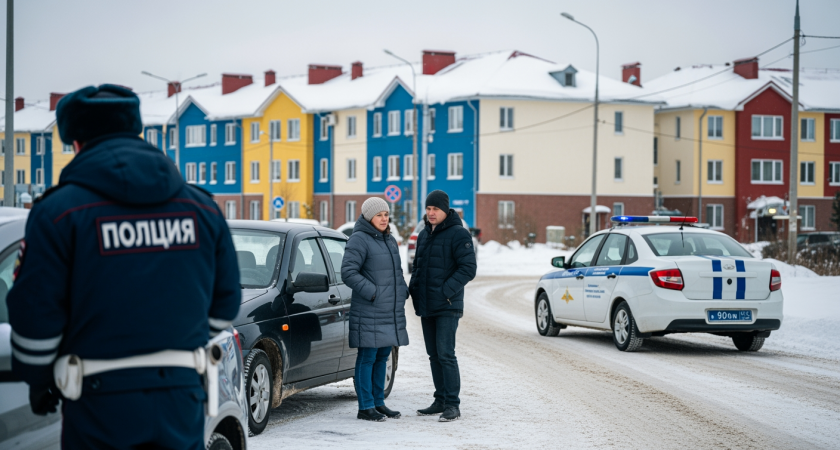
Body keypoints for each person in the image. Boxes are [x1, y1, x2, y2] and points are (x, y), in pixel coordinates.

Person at [7, 84, 241, 449]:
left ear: (76, 142)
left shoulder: (58, 213)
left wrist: (39, 378)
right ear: (137, 131)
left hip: (99, 404)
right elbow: (224, 304)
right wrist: (176, 338)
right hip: (182, 399)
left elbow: (34, 314)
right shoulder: (202, 209)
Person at [409, 190, 476, 422]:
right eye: (428, 209)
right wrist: (414, 290)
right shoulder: (424, 235)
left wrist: (446, 291)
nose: (430, 213)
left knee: (446, 354)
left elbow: (468, 268)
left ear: (445, 210)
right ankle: (440, 399)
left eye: (435, 209)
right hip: (428, 304)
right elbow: (417, 267)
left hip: (447, 305)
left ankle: (453, 404)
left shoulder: (458, 234)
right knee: (433, 355)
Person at [341, 197, 409, 422]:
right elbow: (348, 272)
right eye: (379, 215)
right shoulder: (359, 239)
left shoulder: (388, 239)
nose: (383, 218)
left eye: (386, 214)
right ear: (369, 216)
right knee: (368, 356)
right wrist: (373, 292)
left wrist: (402, 291)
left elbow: (396, 273)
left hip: (388, 309)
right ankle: (365, 406)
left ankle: (378, 403)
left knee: (382, 355)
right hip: (369, 308)